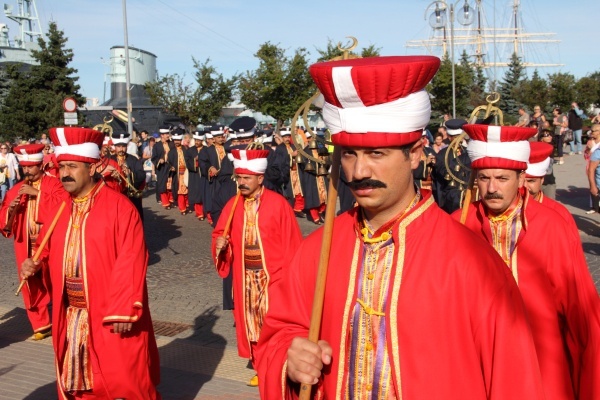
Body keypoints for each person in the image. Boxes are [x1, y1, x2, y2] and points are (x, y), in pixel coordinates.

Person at [256, 56, 545, 400]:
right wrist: (290, 358)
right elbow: (280, 333)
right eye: (349, 154)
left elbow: (514, 379)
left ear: (415, 154)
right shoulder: (319, 249)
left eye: (376, 153)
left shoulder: (470, 260)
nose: (359, 170)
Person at [455, 123, 600, 400]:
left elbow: (579, 308)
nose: (492, 188)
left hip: (543, 362)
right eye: (484, 178)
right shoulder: (457, 224)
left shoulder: (551, 225)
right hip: (477, 366)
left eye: (502, 178)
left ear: (522, 179)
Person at [20, 126, 161, 399]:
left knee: (125, 379)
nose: (64, 174)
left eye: (72, 167)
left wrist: (122, 308)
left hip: (110, 313)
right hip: (72, 311)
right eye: (61, 167)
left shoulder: (120, 207)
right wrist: (34, 264)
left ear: (93, 166)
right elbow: (44, 249)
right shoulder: (61, 206)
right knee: (78, 379)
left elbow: (132, 259)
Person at [212, 148, 302, 387]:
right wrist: (221, 245)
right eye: (238, 178)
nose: (241, 183)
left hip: (272, 276)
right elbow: (220, 234)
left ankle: (276, 367)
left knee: (271, 324)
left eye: (246, 178)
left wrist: (290, 278)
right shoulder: (233, 205)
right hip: (245, 278)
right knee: (250, 324)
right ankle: (261, 368)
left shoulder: (279, 204)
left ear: (260, 178)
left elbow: (293, 243)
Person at [0, 144, 67, 340]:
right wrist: (11, 210)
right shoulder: (15, 190)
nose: (27, 171)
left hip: (50, 243)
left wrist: (37, 194)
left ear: (40, 166)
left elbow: (64, 205)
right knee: (29, 283)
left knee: (53, 279)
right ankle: (41, 324)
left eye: (31, 167)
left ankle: (61, 317)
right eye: (24, 167)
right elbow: (4, 220)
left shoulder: (54, 184)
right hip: (26, 245)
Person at [524, 141, 578, 236]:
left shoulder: (559, 213)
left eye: (531, 181)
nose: (524, 187)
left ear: (541, 180)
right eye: (520, 181)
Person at [432, 118, 471, 213]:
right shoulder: (443, 154)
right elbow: (442, 173)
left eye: (459, 136)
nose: (458, 140)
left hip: (467, 196)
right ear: (449, 137)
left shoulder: (467, 151)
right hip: (449, 198)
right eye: (455, 137)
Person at [110, 132, 146, 221]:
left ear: (127, 147)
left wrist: (130, 173)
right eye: (119, 146)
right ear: (115, 147)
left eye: (123, 146)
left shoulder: (133, 159)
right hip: (114, 195)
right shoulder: (109, 159)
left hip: (130, 195)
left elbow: (142, 174)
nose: (121, 149)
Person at [277, 128, 305, 216]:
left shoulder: (293, 146)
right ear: (282, 138)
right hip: (287, 173)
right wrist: (291, 156)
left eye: (288, 137)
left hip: (296, 172)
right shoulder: (280, 148)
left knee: (299, 191)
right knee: (289, 192)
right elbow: (279, 161)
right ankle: (289, 209)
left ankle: (298, 209)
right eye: (285, 137)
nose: (287, 139)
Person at [185, 130, 208, 220]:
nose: (197, 142)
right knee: (197, 194)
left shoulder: (206, 150)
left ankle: (206, 211)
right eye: (196, 140)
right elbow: (187, 161)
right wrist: (195, 160)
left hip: (204, 174)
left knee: (205, 193)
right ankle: (199, 213)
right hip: (194, 175)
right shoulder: (190, 151)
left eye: (199, 140)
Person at [152, 124, 175, 209]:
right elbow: (153, 158)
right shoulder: (157, 145)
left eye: (168, 134)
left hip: (170, 167)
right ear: (162, 135)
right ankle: (165, 203)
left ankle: (171, 200)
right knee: (162, 185)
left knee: (170, 184)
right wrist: (159, 160)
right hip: (162, 168)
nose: (168, 135)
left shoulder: (172, 144)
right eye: (166, 134)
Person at [167, 128, 190, 215]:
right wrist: (171, 167)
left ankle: (188, 204)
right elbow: (168, 163)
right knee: (180, 191)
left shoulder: (186, 149)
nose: (177, 142)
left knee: (188, 190)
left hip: (186, 173)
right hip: (177, 175)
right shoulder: (171, 152)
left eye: (178, 140)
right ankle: (182, 208)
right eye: (175, 140)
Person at [538, 128, 558, 199]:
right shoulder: (536, 150)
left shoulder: (551, 149)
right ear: (541, 138)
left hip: (549, 181)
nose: (550, 137)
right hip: (537, 181)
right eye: (547, 135)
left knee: (550, 204)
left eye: (550, 135)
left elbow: (549, 168)